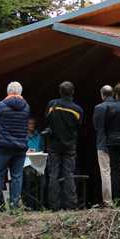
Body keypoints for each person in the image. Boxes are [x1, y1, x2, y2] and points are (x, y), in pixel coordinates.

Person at [0, 81, 30, 210]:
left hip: (3, 146)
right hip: (20, 147)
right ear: (20, 92)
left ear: (8, 92)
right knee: (17, 176)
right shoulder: (26, 106)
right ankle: (15, 205)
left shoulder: (1, 105)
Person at [45, 81, 84, 210]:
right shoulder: (77, 110)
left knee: (53, 174)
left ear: (60, 92)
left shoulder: (52, 105)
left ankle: (53, 206)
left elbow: (48, 120)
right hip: (69, 145)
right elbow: (79, 127)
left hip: (54, 145)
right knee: (69, 174)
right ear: (73, 92)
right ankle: (71, 205)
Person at [93, 85, 120, 205]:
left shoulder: (98, 107)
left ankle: (108, 201)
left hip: (103, 143)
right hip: (119, 143)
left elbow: (96, 126)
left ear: (102, 95)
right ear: (113, 94)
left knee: (105, 172)